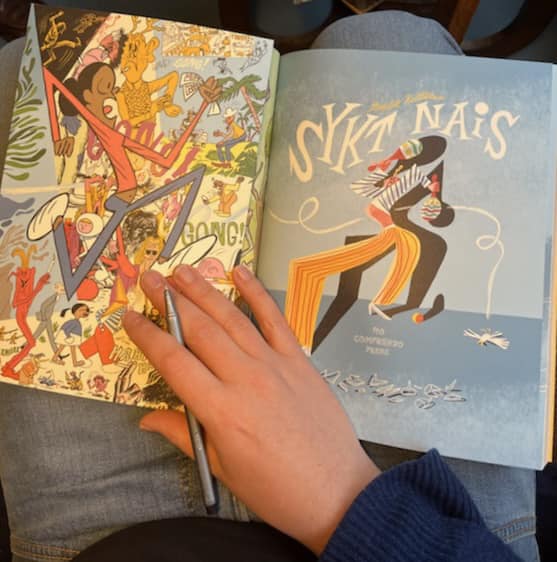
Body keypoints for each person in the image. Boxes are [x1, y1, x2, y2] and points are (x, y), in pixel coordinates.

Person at [0, 11, 538, 562]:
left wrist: (336, 499)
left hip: (116, 533)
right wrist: (346, 497)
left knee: (24, 64)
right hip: (417, 514)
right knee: (388, 38)